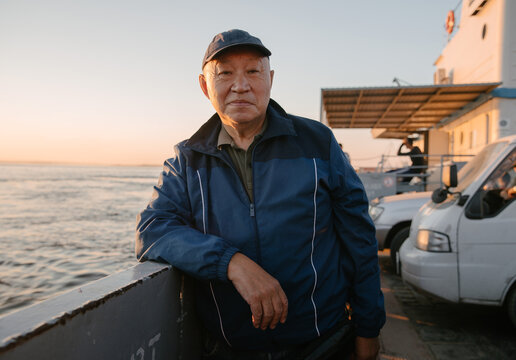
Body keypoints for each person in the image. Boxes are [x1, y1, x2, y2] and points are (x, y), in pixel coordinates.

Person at [136, 29, 385, 360]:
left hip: (322, 343)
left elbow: (359, 242)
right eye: (225, 73)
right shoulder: (187, 160)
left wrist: (368, 330)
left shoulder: (317, 144)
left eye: (253, 71)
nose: (241, 85)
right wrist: (231, 263)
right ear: (204, 85)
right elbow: (152, 230)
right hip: (229, 349)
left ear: (271, 79)